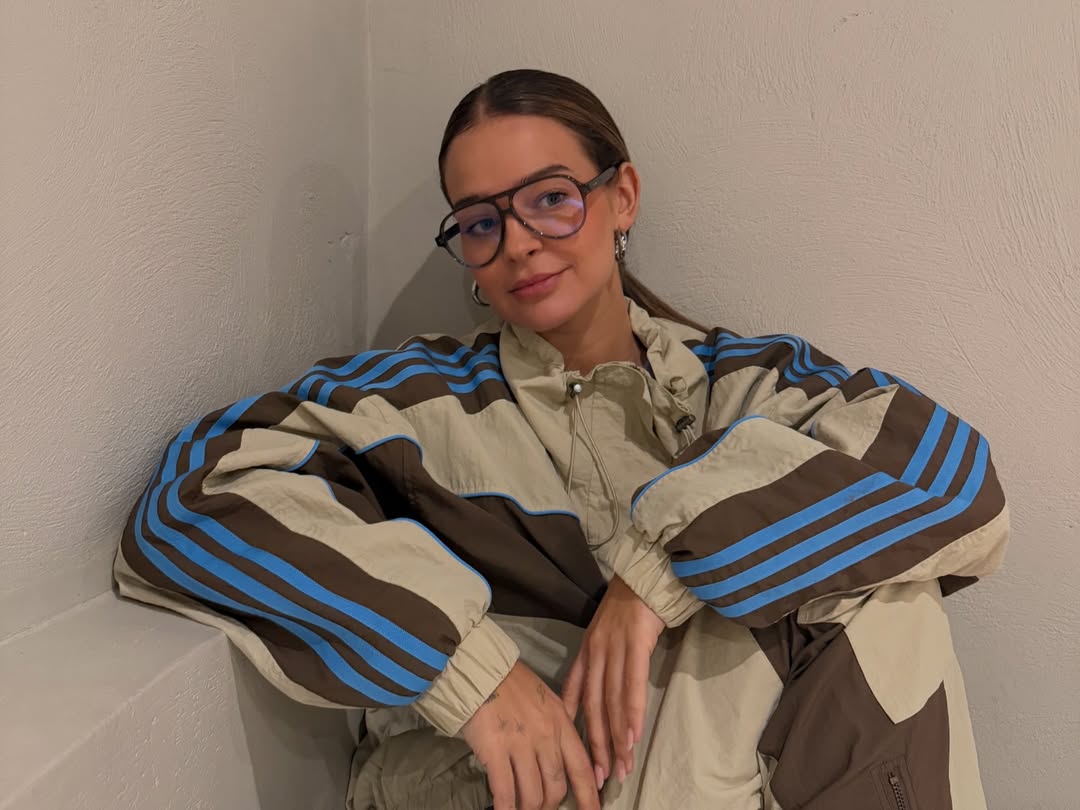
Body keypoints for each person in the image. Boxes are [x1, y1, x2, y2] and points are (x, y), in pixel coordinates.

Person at [115, 69, 1009, 810]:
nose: (518, 243)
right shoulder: (414, 400)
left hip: (735, 773)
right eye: (480, 221)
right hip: (517, 786)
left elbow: (951, 478)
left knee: (888, 597)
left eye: (550, 199)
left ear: (622, 198)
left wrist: (652, 580)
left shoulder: (744, 382)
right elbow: (190, 502)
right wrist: (468, 670)